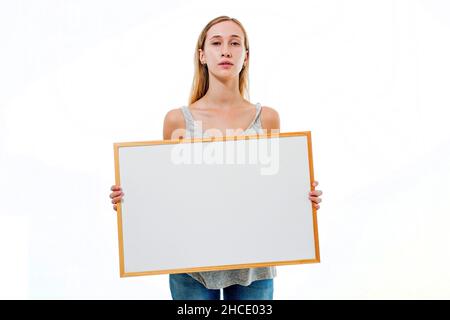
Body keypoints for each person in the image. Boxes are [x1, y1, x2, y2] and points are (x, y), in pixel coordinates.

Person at [109, 15, 323, 300]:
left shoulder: (267, 118)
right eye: (217, 42)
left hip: (254, 267)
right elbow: (167, 194)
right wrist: (132, 202)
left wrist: (301, 199)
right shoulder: (177, 121)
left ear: (246, 56)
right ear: (202, 55)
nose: (226, 50)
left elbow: (274, 187)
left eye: (235, 43)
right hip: (191, 267)